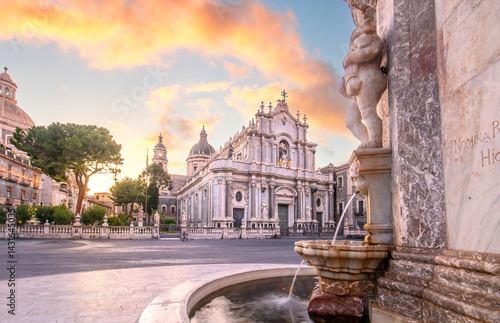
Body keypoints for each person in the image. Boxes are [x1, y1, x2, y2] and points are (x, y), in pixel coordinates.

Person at [340, 18, 387, 149]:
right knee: (351, 121)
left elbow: (371, 52)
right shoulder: (356, 44)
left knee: (367, 112)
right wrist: (346, 87)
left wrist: (351, 57)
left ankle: (375, 141)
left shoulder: (370, 39)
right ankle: (367, 142)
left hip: (369, 78)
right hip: (359, 83)